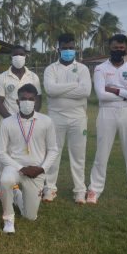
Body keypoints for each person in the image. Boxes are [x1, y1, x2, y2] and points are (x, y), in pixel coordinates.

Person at [87, 34, 127, 206]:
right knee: (102, 153)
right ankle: (94, 189)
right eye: (115, 48)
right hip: (106, 113)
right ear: (110, 48)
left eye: (122, 48)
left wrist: (116, 91)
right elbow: (101, 94)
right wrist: (126, 91)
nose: (118, 50)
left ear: (126, 49)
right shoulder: (100, 69)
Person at [0, 84, 58, 234]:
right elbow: (0, 152)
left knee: (30, 217)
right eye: (23, 99)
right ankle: (9, 220)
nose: (27, 102)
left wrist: (41, 169)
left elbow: (53, 150)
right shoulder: (7, 122)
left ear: (36, 101)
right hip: (15, 167)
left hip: (36, 171)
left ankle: (17, 195)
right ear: (17, 101)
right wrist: (20, 168)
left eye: (31, 99)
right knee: (5, 180)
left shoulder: (46, 121)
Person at [42, 33, 91, 204]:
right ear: (58, 49)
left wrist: (60, 89)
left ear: (75, 48)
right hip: (56, 117)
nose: (68, 51)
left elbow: (85, 92)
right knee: (53, 153)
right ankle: (50, 188)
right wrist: (75, 85)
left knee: (78, 155)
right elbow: (50, 90)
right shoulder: (51, 69)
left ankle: (79, 190)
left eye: (71, 47)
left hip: (78, 118)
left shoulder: (83, 69)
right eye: (65, 48)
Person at [0, 45, 42, 201]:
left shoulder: (33, 77)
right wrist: (11, 120)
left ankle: (33, 186)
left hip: (29, 122)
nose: (19, 57)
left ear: (25, 57)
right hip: (8, 122)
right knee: (4, 155)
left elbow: (38, 99)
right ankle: (0, 189)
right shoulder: (3, 77)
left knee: (30, 153)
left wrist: (32, 115)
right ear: (11, 57)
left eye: (21, 54)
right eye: (16, 55)